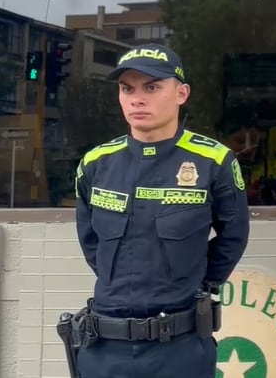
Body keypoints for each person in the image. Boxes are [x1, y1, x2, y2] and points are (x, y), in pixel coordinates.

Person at [72, 43, 250, 378]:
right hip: (104, 347)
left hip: (180, 348)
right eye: (127, 89)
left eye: (152, 87)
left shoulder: (214, 162)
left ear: (182, 93)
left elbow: (234, 235)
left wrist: (193, 281)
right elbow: (91, 239)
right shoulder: (96, 164)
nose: (137, 98)